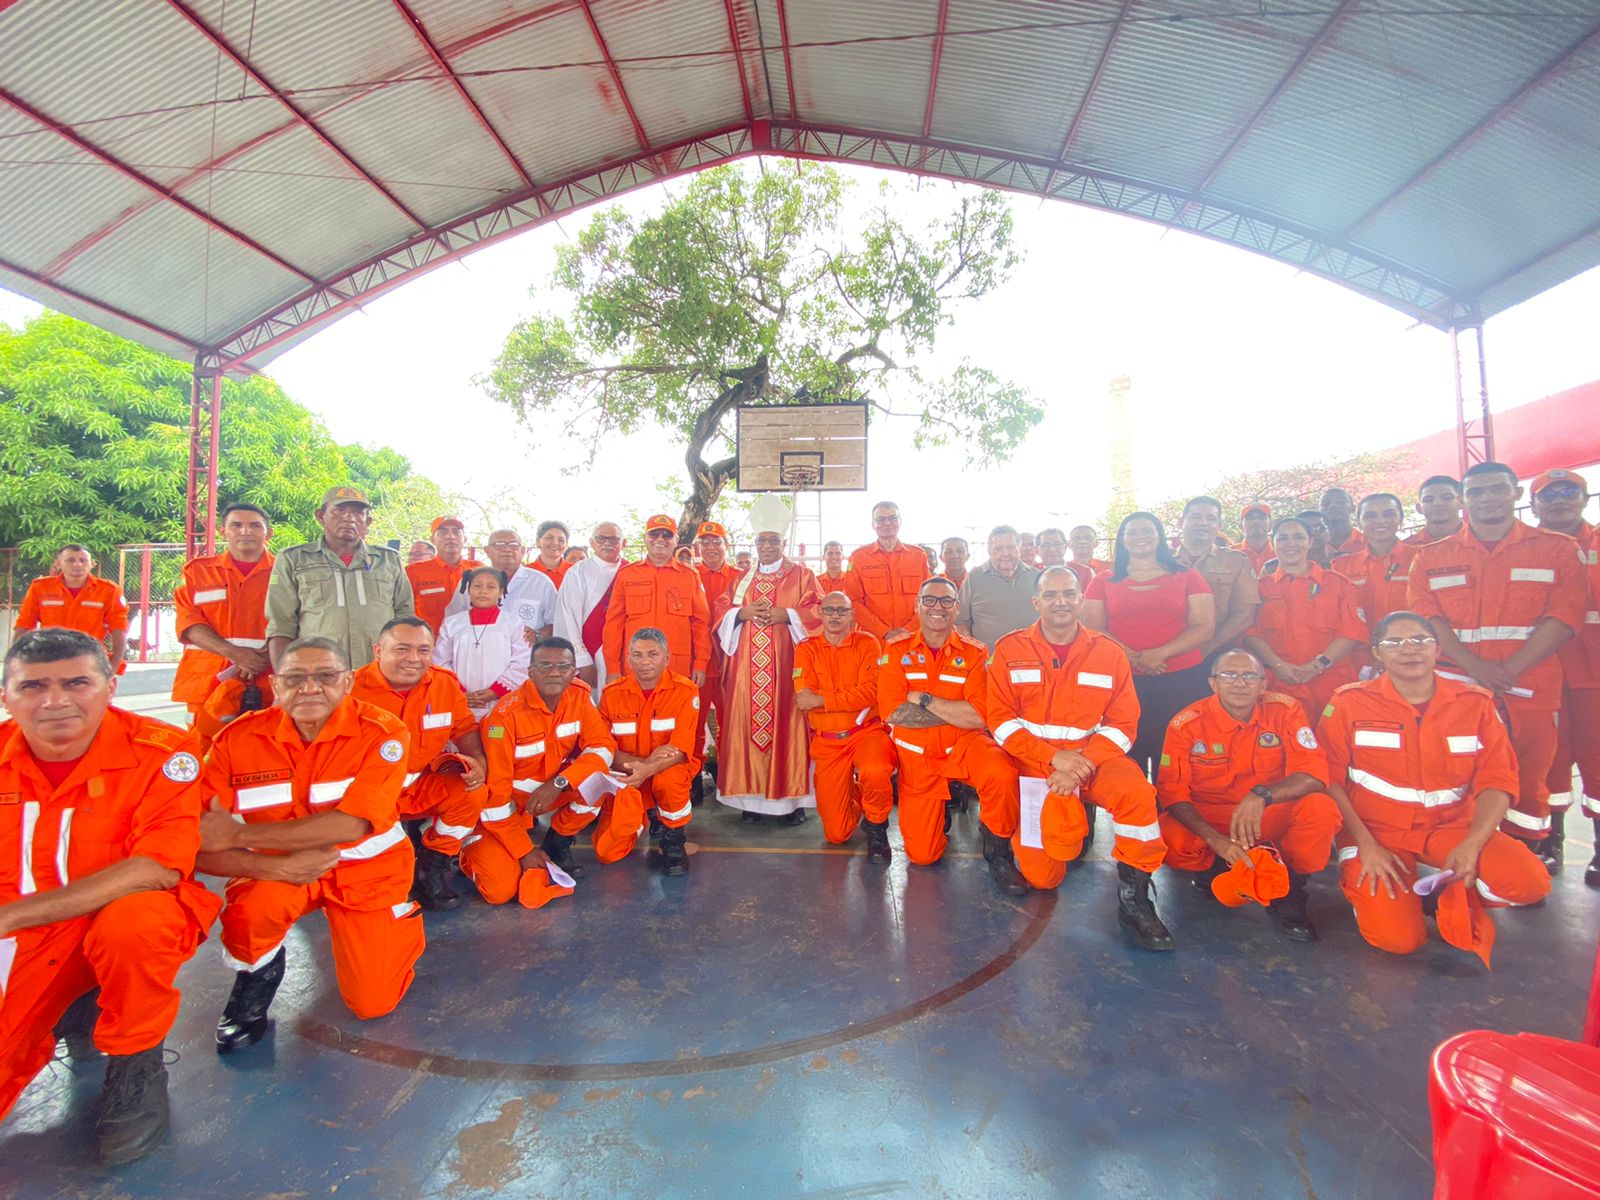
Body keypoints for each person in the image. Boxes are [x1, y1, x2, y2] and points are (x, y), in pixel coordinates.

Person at [0, 630, 221, 1164]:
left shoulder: (162, 752)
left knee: (137, 924)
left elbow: (158, 865)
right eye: (34, 686)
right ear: (7, 696)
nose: (56, 701)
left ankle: (135, 1061)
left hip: (102, 918)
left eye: (77, 682)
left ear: (111, 686)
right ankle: (72, 1004)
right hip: (21, 937)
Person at [197, 637, 424, 1051]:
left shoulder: (383, 732)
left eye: (325, 676)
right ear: (276, 684)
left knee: (373, 1003)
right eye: (295, 678)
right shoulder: (237, 740)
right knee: (253, 910)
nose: (310, 688)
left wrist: (238, 836)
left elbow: (352, 826)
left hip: (366, 871)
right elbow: (190, 836)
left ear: (349, 681)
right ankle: (257, 976)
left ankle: (396, 929)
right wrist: (267, 867)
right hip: (280, 870)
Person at [1320, 611, 1551, 960]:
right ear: (1377, 653)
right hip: (1378, 832)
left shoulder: (1475, 704)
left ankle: (1439, 895)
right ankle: (1371, 896)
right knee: (1399, 941)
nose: (1409, 649)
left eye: (1420, 640)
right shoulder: (1348, 703)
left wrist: (1472, 844)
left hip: (1452, 828)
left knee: (1530, 884)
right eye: (1394, 642)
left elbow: (1498, 781)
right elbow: (1329, 781)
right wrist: (1364, 845)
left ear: (1438, 649)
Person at [1406, 460, 1585, 864]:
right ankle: (1456, 854)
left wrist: (1511, 668)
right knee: (1454, 770)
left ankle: (1525, 855)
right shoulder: (1431, 557)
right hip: (1456, 683)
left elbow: (1565, 616)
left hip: (1530, 683)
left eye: (1497, 489)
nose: (1487, 499)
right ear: (1465, 501)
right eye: (1477, 492)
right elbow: (1427, 619)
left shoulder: (1557, 550)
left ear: (1517, 494)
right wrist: (1474, 666)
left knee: (1529, 770)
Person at [986, 567, 1174, 948]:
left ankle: (1134, 899)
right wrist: (1055, 759)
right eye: (1051, 594)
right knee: (1043, 878)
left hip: (1096, 762)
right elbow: (1000, 722)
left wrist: (1080, 763)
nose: (1061, 601)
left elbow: (1124, 724)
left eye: (1069, 594)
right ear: (1036, 601)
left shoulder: (1108, 652)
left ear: (1081, 600)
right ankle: (1069, 818)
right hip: (1035, 766)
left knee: (1138, 794)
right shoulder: (1009, 649)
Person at [1156, 649, 1341, 941]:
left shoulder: (1286, 710)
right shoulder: (1186, 724)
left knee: (1320, 809)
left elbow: (1314, 774)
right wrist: (1215, 841)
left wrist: (1262, 795)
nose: (1239, 683)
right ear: (1213, 683)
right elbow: (1172, 793)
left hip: (1268, 812)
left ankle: (1289, 890)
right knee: (1168, 834)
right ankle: (1215, 870)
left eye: (1249, 676)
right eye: (1229, 675)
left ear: (1263, 684)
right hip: (1214, 821)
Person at [877, 576, 1024, 890]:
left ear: (957, 609)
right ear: (917, 606)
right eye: (929, 599)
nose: (937, 607)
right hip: (918, 756)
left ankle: (998, 847)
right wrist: (956, 712)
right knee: (922, 857)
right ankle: (938, 811)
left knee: (1000, 772)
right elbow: (892, 713)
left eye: (946, 601)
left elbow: (979, 716)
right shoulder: (896, 649)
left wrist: (922, 698)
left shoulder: (975, 652)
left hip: (966, 746)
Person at [350, 618, 487, 912]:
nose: (414, 659)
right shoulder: (348, 691)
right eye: (402, 649)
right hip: (366, 796)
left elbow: (463, 728)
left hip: (418, 785)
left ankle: (431, 864)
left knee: (472, 791)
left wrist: (478, 760)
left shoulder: (444, 684)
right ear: (378, 651)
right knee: (376, 893)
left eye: (423, 650)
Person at [469, 637, 616, 894]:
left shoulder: (579, 697)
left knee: (598, 783)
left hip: (548, 791)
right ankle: (465, 853)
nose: (554, 673)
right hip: (502, 809)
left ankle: (556, 844)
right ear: (530, 672)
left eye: (563, 666)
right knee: (499, 892)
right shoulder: (504, 717)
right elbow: (495, 798)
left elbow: (603, 747)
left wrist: (560, 783)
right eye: (544, 666)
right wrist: (524, 851)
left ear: (574, 671)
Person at [1080, 512, 1215, 779]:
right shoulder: (1103, 580)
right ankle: (1137, 815)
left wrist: (1159, 654)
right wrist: (1130, 656)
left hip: (1181, 679)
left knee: (1177, 755)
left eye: (1147, 531)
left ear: (1159, 537)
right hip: (1125, 680)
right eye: (1132, 532)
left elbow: (1204, 627)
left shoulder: (1188, 576)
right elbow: (1092, 627)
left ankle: (1174, 815)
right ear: (1123, 540)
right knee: (1130, 756)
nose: (1140, 537)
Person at [715, 499, 823, 823]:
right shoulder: (741, 580)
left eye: (773, 540)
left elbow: (818, 611)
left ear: (782, 542)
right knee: (746, 727)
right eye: (761, 540)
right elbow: (720, 611)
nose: (767, 546)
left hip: (788, 667)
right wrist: (740, 613)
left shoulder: (803, 575)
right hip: (746, 673)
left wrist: (788, 615)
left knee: (790, 725)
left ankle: (793, 802)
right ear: (756, 543)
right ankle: (750, 802)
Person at [1531, 469, 1600, 884]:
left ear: (1584, 497)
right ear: (1535, 502)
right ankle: (1547, 842)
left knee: (1599, 762)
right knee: (1546, 764)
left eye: (1567, 492)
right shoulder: (1522, 547)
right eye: (1548, 494)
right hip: (1542, 672)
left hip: (1594, 674)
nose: (1559, 500)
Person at [264, 486, 415, 671]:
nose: (349, 518)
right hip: (320, 674)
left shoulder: (388, 560)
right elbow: (281, 626)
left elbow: (405, 620)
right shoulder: (294, 559)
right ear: (320, 516)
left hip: (379, 674)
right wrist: (287, 677)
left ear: (367, 521)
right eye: (339, 510)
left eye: (358, 513)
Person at [793, 591, 896, 859]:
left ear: (852, 614)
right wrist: (836, 700)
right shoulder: (806, 648)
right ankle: (856, 792)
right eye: (829, 610)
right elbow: (804, 699)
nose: (835, 615)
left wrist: (822, 699)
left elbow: (871, 692)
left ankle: (876, 825)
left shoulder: (868, 643)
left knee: (875, 770)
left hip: (866, 733)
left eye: (842, 610)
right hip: (827, 741)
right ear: (820, 613)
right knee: (836, 835)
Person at [594, 628, 703, 874]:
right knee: (606, 852)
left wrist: (648, 769)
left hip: (664, 770)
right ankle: (643, 815)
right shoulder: (612, 694)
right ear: (628, 658)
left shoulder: (685, 691)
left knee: (670, 779)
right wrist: (636, 767)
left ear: (667, 658)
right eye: (638, 655)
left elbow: (680, 748)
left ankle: (673, 839)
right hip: (627, 773)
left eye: (653, 654)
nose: (645, 662)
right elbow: (603, 743)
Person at [172, 502, 275, 746]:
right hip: (207, 681)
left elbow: (300, 619)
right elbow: (189, 622)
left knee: (263, 755)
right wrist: (237, 655)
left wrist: (262, 658)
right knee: (200, 753)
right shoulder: (198, 572)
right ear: (223, 531)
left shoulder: (287, 571)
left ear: (268, 533)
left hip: (268, 678)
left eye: (254, 526)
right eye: (236, 525)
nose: (245, 531)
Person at [1244, 516, 1366, 715]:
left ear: (1310, 542)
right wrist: (1278, 664)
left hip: (1332, 684)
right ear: (1273, 544)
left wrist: (1318, 665)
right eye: (1283, 538)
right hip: (1281, 684)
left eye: (1298, 537)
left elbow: (1352, 631)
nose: (1291, 544)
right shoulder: (1260, 588)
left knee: (1336, 742)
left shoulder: (1338, 583)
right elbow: (1250, 633)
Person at [603, 515, 711, 687]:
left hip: (677, 668)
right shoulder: (627, 574)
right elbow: (613, 624)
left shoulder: (690, 576)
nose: (660, 539)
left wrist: (701, 663)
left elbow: (701, 624)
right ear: (645, 538)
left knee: (674, 714)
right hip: (635, 667)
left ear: (676, 540)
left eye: (667, 535)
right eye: (654, 534)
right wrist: (612, 668)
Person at [14, 544, 129, 673]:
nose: (77, 564)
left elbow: (119, 629)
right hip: (50, 660)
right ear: (58, 564)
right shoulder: (40, 588)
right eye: (70, 560)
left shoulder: (108, 591)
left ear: (92, 564)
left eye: (83, 560)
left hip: (90, 662)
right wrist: (15, 663)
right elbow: (24, 625)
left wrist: (112, 668)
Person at [1174, 497, 1260, 668]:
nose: (1203, 523)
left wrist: (1207, 648)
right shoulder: (1161, 562)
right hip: (1165, 656)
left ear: (1219, 525)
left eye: (1211, 518)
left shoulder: (1236, 561)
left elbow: (1245, 614)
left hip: (1217, 656)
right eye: (1196, 517)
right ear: (1181, 522)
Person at [432, 568, 530, 718]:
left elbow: (522, 663)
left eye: (491, 587)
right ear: (468, 590)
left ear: (500, 592)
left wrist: (495, 691)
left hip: (500, 701)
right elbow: (440, 662)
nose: (483, 591)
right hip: (461, 700)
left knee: (496, 737)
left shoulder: (512, 623)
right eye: (477, 586)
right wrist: (460, 692)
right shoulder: (452, 624)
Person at [1331, 493, 1417, 654]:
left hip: (1410, 653)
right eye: (1370, 516)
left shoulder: (1420, 559)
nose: (1380, 521)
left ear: (1401, 518)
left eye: (1388, 514)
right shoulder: (1341, 567)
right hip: (1360, 660)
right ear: (1359, 522)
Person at [553, 521, 628, 695]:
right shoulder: (578, 572)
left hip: (624, 654)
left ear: (624, 543)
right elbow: (568, 617)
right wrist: (582, 660)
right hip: (591, 654)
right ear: (592, 542)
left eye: (614, 539)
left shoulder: (632, 571)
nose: (607, 543)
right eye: (601, 538)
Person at [444, 529, 556, 644]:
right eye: (499, 545)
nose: (507, 549)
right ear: (487, 551)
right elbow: (452, 621)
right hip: (477, 652)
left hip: (526, 657)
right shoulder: (470, 581)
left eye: (513, 545)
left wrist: (537, 635)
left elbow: (555, 622)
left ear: (522, 551)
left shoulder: (541, 582)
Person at [843, 500, 927, 641]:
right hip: (873, 639)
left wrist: (908, 629)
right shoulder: (858, 557)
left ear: (900, 521)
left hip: (913, 637)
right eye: (880, 519)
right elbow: (852, 600)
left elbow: (927, 599)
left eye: (892, 518)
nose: (887, 523)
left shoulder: (918, 556)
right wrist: (884, 631)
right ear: (873, 524)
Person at [694, 520, 738, 777]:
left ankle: (727, 776)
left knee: (730, 723)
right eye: (705, 542)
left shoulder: (740, 578)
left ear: (726, 545)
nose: (710, 547)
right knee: (694, 724)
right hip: (699, 664)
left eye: (716, 541)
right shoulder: (689, 575)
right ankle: (693, 778)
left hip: (730, 663)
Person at [956, 525, 1042, 648]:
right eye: (998, 548)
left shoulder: (1037, 578)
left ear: (1019, 548)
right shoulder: (974, 578)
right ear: (989, 551)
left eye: (1011, 547)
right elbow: (960, 623)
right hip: (988, 662)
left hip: (1033, 660)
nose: (1005, 553)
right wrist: (972, 651)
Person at [404, 516, 480, 634]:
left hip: (469, 644)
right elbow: (403, 611)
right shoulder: (413, 572)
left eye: (456, 532)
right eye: (443, 532)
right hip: (429, 646)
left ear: (464, 538)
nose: (451, 536)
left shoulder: (479, 570)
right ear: (432, 539)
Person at [1407, 475, 1464, 545]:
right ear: (1419, 508)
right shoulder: (1407, 548)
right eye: (1428, 500)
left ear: (1461, 502)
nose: (1437, 503)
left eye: (1446, 498)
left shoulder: (1479, 538)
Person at [1036, 526, 1092, 591]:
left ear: (1065, 547)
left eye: (1057, 544)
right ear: (1037, 550)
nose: (1052, 549)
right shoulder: (1030, 573)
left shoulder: (1084, 572)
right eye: (1045, 545)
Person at [1321, 488, 1364, 557]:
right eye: (1325, 503)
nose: (1333, 506)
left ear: (1353, 508)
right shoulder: (1313, 546)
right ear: (1319, 511)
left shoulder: (1368, 543)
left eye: (1341, 502)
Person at [1233, 503, 1274, 575]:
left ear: (1271, 524)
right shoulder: (1231, 553)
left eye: (1262, 517)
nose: (1256, 521)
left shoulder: (1281, 554)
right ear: (1240, 525)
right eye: (1250, 518)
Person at [528, 520, 571, 588]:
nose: (555, 543)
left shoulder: (575, 572)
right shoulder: (526, 572)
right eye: (549, 538)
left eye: (561, 540)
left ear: (566, 545)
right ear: (538, 541)